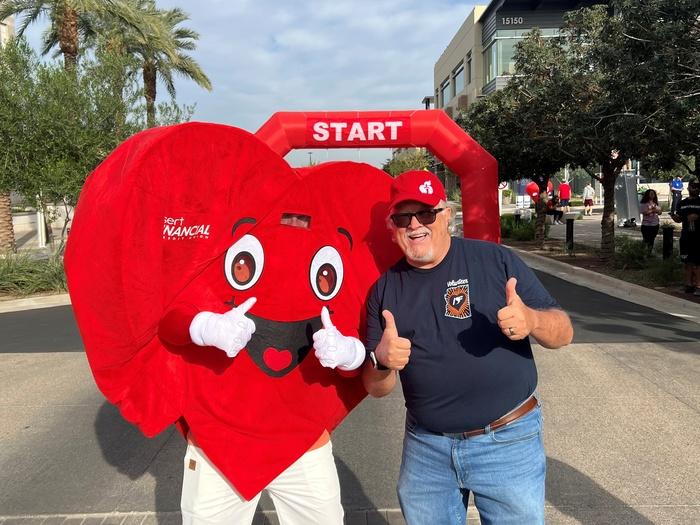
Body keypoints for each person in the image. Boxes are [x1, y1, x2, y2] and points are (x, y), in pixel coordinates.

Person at [362, 170, 574, 524]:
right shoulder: (384, 290)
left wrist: (532, 321)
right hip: (427, 449)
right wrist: (382, 362)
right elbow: (375, 387)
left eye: (426, 213)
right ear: (391, 226)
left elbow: (564, 333)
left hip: (506, 442)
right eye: (403, 217)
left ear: (447, 215)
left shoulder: (495, 261)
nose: (415, 225)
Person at [672, 180, 700, 294]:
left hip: (698, 236)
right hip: (686, 236)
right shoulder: (682, 203)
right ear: (688, 188)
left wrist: (697, 217)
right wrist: (676, 218)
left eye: (697, 187)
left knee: (698, 262)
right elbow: (679, 218)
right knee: (687, 261)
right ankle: (688, 285)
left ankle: (698, 285)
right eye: (693, 187)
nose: (695, 189)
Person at [639, 189, 662, 255]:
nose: (652, 195)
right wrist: (653, 210)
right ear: (647, 195)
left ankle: (649, 253)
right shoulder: (644, 203)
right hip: (646, 225)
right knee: (646, 239)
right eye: (651, 193)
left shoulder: (655, 203)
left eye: (653, 194)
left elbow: (660, 212)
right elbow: (644, 212)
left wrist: (657, 211)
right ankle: (640, 253)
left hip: (655, 224)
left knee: (652, 239)